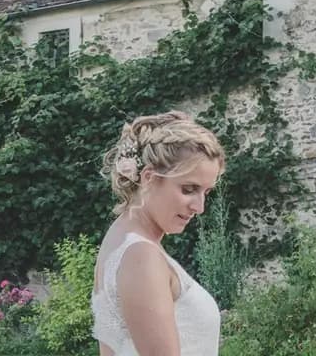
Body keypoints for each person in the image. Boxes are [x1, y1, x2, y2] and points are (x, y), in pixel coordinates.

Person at [91, 111, 225, 356]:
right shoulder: (140, 256)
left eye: (205, 192)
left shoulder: (123, 240)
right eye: (188, 189)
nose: (199, 207)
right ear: (150, 178)